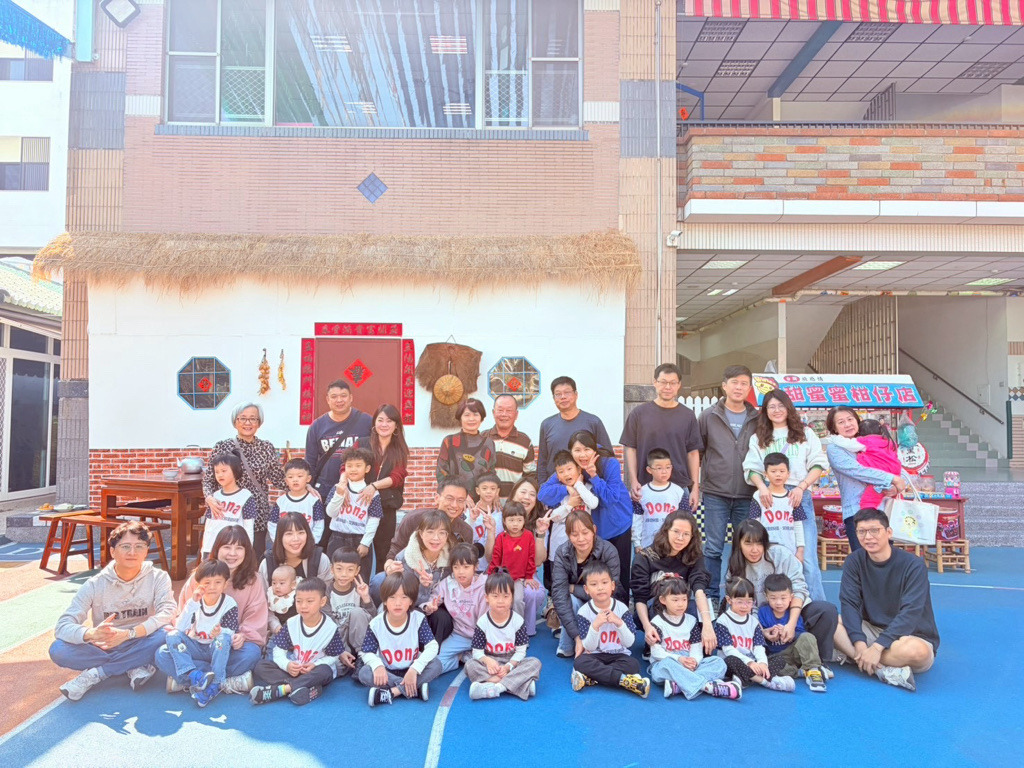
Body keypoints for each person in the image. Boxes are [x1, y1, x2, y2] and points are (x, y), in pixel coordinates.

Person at [50, 521, 175, 701]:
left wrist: (130, 634)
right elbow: (62, 626)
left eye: (139, 546)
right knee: (59, 649)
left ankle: (99, 672)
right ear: (112, 551)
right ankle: (134, 664)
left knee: (169, 634)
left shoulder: (158, 577)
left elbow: (168, 611)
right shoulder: (95, 584)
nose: (132, 552)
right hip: (105, 645)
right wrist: (91, 634)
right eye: (125, 546)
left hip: (141, 639)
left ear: (146, 551)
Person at [834, 508, 940, 693]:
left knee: (917, 652)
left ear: (889, 532)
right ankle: (881, 670)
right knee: (827, 619)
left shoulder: (913, 565)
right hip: (872, 628)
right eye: (862, 532)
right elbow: (849, 603)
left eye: (874, 530)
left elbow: (911, 612)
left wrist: (877, 648)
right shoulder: (854, 561)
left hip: (909, 635)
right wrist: (859, 642)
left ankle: (856, 657)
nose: (868, 537)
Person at [742, 388, 828, 601]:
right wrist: (762, 488)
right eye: (771, 407)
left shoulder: (805, 434)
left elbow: (818, 464)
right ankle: (771, 607)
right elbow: (751, 468)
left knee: (807, 558)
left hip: (798, 494)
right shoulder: (759, 437)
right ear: (765, 411)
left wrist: (801, 487)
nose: (777, 410)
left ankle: (816, 608)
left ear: (789, 407)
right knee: (769, 555)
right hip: (768, 497)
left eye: (781, 405)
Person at [726, 520, 839, 664]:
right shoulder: (735, 567)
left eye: (759, 543)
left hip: (791, 612)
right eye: (748, 544)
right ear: (739, 544)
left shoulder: (780, 554)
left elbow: (799, 588)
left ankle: (819, 662)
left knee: (826, 611)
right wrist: (760, 631)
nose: (755, 550)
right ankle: (773, 660)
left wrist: (791, 624)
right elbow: (741, 606)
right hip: (762, 618)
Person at [174, 525, 269, 693]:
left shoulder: (254, 581)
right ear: (217, 549)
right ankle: (225, 681)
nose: (232, 553)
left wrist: (242, 636)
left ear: (246, 552)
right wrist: (193, 634)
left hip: (230, 646)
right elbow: (183, 613)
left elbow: (256, 618)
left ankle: (188, 677)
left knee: (252, 653)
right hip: (198, 643)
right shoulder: (199, 577)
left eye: (238, 548)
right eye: (227, 547)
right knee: (163, 653)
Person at [697, 365, 759, 602]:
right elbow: (698, 452)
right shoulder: (708, 416)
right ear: (724, 386)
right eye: (734, 382)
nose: (739, 387)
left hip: (747, 493)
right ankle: (711, 596)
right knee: (713, 547)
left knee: (744, 546)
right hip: (715, 492)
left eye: (744, 383)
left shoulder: (757, 418)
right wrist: (697, 485)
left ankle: (739, 596)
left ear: (749, 388)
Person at [541, 430, 632, 590]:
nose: (582, 455)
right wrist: (567, 489)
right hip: (591, 529)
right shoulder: (571, 465)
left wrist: (594, 475)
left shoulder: (609, 463)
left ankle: (620, 605)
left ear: (594, 449)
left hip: (616, 523)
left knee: (617, 576)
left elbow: (610, 499)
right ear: (571, 451)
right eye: (577, 450)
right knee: (595, 577)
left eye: (587, 449)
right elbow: (543, 494)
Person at [203, 401, 289, 556]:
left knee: (253, 558)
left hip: (257, 514)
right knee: (223, 558)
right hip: (228, 513)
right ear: (235, 421)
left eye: (253, 419)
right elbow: (209, 478)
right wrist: (209, 498)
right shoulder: (223, 446)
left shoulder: (266, 447)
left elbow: (279, 478)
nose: (247, 423)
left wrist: (303, 486)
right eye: (243, 418)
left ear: (259, 422)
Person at [631, 511, 717, 656]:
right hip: (654, 608)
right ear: (666, 530)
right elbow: (640, 598)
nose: (680, 538)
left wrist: (707, 625)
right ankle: (655, 644)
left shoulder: (694, 556)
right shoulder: (645, 557)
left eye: (686, 534)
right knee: (660, 603)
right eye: (676, 532)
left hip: (682, 606)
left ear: (692, 536)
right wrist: (647, 627)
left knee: (703, 611)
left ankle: (692, 644)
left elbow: (699, 589)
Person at [249, 578, 345, 706]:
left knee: (325, 671)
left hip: (314, 671)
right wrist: (287, 665)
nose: (303, 606)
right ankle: (306, 688)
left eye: (309, 601)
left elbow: (333, 656)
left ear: (322, 601)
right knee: (261, 666)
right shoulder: (291, 623)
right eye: (299, 601)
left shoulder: (330, 627)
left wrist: (315, 665)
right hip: (295, 669)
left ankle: (282, 690)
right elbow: (278, 650)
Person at [621, 364, 702, 514]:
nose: (668, 387)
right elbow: (631, 448)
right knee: (644, 527)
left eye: (672, 383)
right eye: (663, 382)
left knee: (680, 527)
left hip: (679, 486)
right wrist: (633, 481)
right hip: (645, 486)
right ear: (655, 382)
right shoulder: (639, 414)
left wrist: (695, 488)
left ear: (679, 385)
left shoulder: (687, 415)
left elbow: (693, 453)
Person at [157, 559, 238, 707]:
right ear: (198, 584)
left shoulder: (229, 603)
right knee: (163, 651)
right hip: (196, 648)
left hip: (216, 650)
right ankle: (196, 676)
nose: (212, 587)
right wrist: (192, 603)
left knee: (226, 640)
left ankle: (214, 683)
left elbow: (229, 634)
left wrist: (219, 631)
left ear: (225, 583)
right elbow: (180, 628)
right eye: (207, 583)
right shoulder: (195, 602)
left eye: (218, 582)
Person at [825, 407, 906, 552]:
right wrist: (891, 478)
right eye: (841, 422)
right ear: (834, 428)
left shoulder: (874, 442)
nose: (847, 424)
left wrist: (896, 486)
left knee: (885, 557)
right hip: (856, 512)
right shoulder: (835, 448)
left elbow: (897, 466)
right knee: (863, 558)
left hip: (883, 510)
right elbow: (857, 470)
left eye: (850, 419)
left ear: (857, 421)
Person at [647, 575, 739, 701]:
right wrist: (679, 659)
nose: (680, 604)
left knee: (719, 663)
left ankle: (678, 686)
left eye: (684, 599)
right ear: (663, 600)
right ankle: (709, 687)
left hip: (689, 662)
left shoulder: (691, 620)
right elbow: (656, 652)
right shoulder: (657, 622)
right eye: (675, 600)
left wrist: (694, 661)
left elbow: (696, 647)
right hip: (669, 661)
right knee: (662, 668)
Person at [359, 571, 443, 707]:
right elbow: (366, 652)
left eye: (404, 597)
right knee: (364, 672)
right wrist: (377, 665)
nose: (398, 603)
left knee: (436, 664)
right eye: (392, 597)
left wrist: (415, 669)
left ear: (411, 600)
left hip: (412, 669)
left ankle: (393, 692)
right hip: (387, 671)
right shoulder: (376, 624)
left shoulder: (418, 619)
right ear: (384, 600)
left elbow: (432, 646)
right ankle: (414, 689)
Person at [571, 561, 650, 698]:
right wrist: (595, 626)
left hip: (619, 655)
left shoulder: (622, 609)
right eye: (594, 584)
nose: (600, 588)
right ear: (586, 589)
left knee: (633, 665)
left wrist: (619, 623)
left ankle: (591, 679)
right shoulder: (584, 612)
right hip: (595, 655)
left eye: (604, 582)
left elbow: (629, 643)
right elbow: (589, 646)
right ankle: (624, 681)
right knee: (580, 662)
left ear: (612, 585)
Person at [550, 510, 622, 658]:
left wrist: (573, 588)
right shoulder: (562, 553)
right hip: (575, 602)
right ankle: (570, 644)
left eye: (585, 532)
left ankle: (594, 642)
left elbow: (610, 590)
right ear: (568, 535)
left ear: (594, 530)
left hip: (602, 602)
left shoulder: (608, 551)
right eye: (574, 534)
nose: (581, 539)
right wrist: (577, 637)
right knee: (569, 600)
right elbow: (559, 594)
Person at [466, 569, 542, 701]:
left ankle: (496, 687)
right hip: (491, 663)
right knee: (470, 665)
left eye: (505, 596)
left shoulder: (518, 621)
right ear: (487, 598)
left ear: (512, 598)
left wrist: (508, 667)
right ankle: (518, 685)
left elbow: (521, 651)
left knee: (535, 663)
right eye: (495, 596)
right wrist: (488, 661)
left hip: (512, 663)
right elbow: (477, 652)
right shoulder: (483, 622)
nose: (500, 601)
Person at [712, 577, 795, 693]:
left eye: (749, 602)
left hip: (753, 662)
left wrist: (762, 663)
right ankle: (766, 682)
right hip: (736, 663)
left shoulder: (754, 622)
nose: (745, 606)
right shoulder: (723, 621)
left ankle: (744, 678)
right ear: (729, 600)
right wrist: (749, 663)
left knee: (779, 659)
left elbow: (758, 647)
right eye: (740, 602)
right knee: (729, 661)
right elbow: (728, 650)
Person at [305, 379, 373, 509]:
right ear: (327, 399)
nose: (339, 400)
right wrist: (308, 484)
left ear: (351, 398)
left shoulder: (367, 421)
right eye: (334, 396)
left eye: (343, 396)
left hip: (359, 492)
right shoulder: (317, 426)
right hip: (325, 490)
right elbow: (310, 460)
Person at [758, 573, 829, 693]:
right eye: (773, 598)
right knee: (767, 668)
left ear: (791, 597)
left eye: (783, 598)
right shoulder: (763, 612)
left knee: (807, 637)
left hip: (794, 651)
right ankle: (801, 672)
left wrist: (789, 633)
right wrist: (768, 634)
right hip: (777, 656)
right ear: (766, 597)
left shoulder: (792, 613)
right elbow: (759, 637)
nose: (778, 602)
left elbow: (801, 635)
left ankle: (813, 670)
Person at [542, 452, 598, 596]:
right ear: (557, 476)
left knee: (581, 582)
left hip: (582, 546)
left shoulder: (587, 488)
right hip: (559, 545)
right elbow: (554, 517)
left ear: (578, 469)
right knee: (558, 583)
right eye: (561, 471)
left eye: (569, 469)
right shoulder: (558, 492)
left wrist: (578, 485)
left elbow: (593, 503)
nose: (566, 474)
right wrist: (569, 505)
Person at [395, 510, 455, 644]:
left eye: (442, 533)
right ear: (421, 533)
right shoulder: (405, 558)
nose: (436, 538)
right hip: (410, 606)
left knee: (442, 618)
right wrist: (421, 587)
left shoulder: (451, 558)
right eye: (430, 532)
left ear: (447, 535)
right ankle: (410, 651)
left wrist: (433, 604)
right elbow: (399, 596)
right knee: (416, 615)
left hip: (436, 606)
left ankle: (433, 652)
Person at [537, 376, 612, 482]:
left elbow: (607, 456)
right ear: (554, 398)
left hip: (589, 484)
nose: (563, 397)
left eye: (567, 392)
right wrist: (542, 485)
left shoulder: (593, 422)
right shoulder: (547, 425)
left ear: (576, 395)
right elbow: (542, 461)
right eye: (558, 394)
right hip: (556, 486)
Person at [324, 447, 383, 579]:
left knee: (360, 577)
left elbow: (374, 520)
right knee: (335, 576)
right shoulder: (338, 488)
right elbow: (330, 513)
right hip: (337, 537)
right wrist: (339, 495)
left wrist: (365, 543)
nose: (353, 469)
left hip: (359, 539)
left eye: (358, 465)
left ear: (367, 468)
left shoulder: (372, 493)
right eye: (349, 466)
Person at [488, 501, 545, 637]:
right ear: (504, 521)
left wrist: (529, 576)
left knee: (518, 601)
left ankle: (518, 631)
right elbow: (496, 559)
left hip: (519, 579)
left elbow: (531, 558)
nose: (515, 524)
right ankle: (501, 628)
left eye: (519, 520)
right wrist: (491, 577)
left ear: (524, 520)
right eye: (511, 520)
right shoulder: (501, 538)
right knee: (501, 601)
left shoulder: (528, 536)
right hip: (503, 578)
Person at [366, 403, 409, 574]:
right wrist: (342, 482)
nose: (384, 424)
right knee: (361, 550)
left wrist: (373, 486)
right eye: (380, 420)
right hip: (361, 505)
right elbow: (347, 466)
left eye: (389, 421)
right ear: (374, 423)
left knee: (383, 550)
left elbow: (397, 477)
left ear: (396, 425)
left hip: (386, 508)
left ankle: (380, 584)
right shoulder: (362, 443)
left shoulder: (400, 450)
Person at [432, 543, 488, 674]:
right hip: (459, 635)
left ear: (476, 566)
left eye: (466, 567)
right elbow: (433, 598)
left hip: (484, 637)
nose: (460, 572)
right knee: (434, 663)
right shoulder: (448, 583)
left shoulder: (485, 586)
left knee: (491, 666)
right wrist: (429, 606)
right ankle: (461, 657)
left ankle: (473, 656)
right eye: (456, 567)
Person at [830, 419, 901, 509]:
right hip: (895, 473)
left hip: (879, 477)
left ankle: (867, 513)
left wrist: (835, 437)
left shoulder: (865, 441)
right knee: (894, 503)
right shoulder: (889, 442)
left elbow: (846, 444)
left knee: (868, 501)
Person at [747, 453, 806, 560]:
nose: (778, 475)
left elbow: (798, 524)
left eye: (782, 471)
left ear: (788, 474)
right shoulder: (758, 496)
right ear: (765, 474)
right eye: (773, 471)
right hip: (766, 550)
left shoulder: (793, 496)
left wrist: (800, 549)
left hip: (789, 551)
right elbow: (754, 524)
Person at [325, 549, 374, 676]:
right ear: (332, 569)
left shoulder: (360, 589)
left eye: (350, 570)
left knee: (357, 612)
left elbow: (373, 619)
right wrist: (340, 650)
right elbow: (327, 624)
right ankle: (348, 660)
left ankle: (362, 656)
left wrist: (365, 598)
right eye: (339, 569)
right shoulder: (326, 592)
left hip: (359, 639)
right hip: (339, 640)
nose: (344, 574)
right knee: (338, 669)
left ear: (357, 571)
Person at [436, 398, 497, 498]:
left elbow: (491, 474)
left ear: (481, 418)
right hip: (455, 499)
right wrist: (461, 494)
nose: (471, 419)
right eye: (467, 415)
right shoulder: (449, 441)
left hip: (481, 500)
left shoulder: (489, 443)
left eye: (476, 414)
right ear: (460, 418)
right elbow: (441, 473)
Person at [631, 447, 687, 553]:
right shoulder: (641, 492)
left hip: (673, 546)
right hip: (647, 545)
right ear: (649, 470)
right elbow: (637, 518)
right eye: (659, 468)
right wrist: (637, 543)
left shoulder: (678, 492)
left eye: (668, 467)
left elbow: (686, 518)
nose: (664, 471)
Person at [201, 453, 257, 555]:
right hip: (212, 547)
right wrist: (204, 550)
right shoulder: (214, 496)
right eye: (217, 472)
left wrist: (248, 550)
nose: (220, 475)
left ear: (235, 471)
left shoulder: (245, 496)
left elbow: (248, 527)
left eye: (224, 471)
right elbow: (208, 525)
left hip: (233, 549)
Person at [258, 512, 332, 587]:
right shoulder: (267, 564)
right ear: (280, 537)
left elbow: (326, 591)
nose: (296, 539)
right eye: (289, 534)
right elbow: (263, 593)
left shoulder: (320, 560)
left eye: (301, 533)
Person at [486, 394, 536, 498]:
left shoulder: (525, 441)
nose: (504, 414)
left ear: (516, 414)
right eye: (500, 410)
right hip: (487, 503)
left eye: (509, 410)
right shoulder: (483, 439)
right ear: (493, 413)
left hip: (514, 503)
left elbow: (531, 475)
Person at [268, 458, 325, 544]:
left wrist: (311, 542)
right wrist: (279, 541)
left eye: (300, 476)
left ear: (308, 478)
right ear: (286, 481)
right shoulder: (281, 501)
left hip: (307, 545)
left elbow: (319, 525)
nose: (295, 480)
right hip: (285, 545)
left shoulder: (314, 501)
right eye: (290, 477)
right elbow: (272, 523)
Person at [469, 472, 503, 571]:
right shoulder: (469, 513)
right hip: (473, 568)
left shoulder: (501, 515)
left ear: (497, 491)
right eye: (484, 488)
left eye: (492, 488)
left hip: (494, 569)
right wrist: (471, 520)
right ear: (477, 490)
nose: (488, 491)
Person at [267, 564, 297, 635]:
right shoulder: (271, 596)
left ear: (293, 584)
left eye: (281, 583)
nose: (277, 586)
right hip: (277, 629)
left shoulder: (297, 596)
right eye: (274, 583)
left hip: (295, 629)